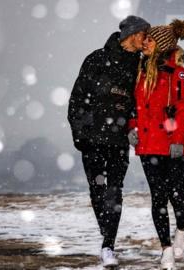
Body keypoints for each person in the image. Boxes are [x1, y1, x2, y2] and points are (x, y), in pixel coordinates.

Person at [67, 15, 149, 267]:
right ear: (133, 35)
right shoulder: (96, 60)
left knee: (114, 192)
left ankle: (108, 245)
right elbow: (77, 99)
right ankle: (107, 235)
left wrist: (133, 129)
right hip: (93, 140)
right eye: (144, 35)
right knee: (98, 190)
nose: (146, 40)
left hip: (118, 141)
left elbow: (142, 102)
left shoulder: (142, 66)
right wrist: (81, 135)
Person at [127, 19, 184, 269]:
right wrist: (132, 127)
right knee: (158, 197)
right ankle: (166, 249)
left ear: (162, 44)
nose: (144, 43)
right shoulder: (141, 70)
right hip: (148, 144)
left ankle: (181, 231)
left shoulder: (178, 73)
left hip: (171, 144)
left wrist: (178, 139)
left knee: (177, 196)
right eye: (144, 39)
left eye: (149, 39)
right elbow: (134, 105)